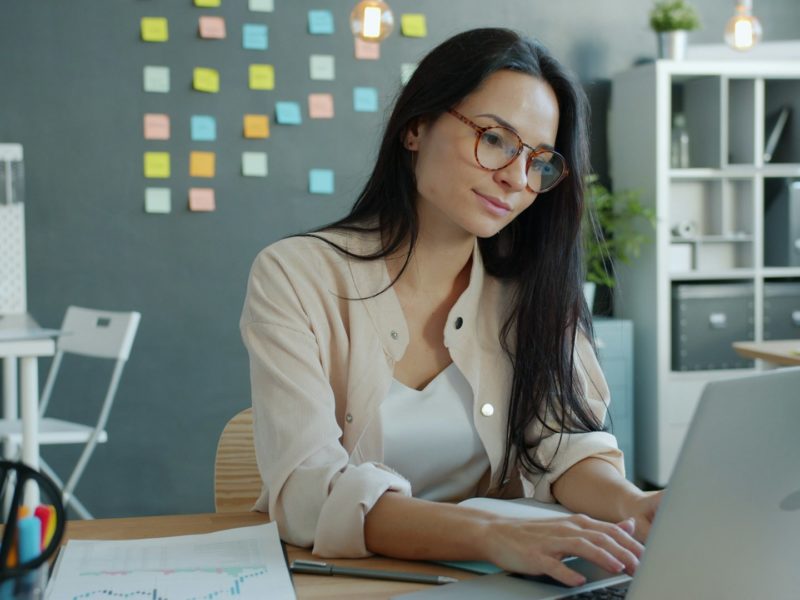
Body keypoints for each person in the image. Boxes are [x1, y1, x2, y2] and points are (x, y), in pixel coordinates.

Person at [240, 27, 662, 587]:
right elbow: (306, 492)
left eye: (539, 161)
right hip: (348, 584)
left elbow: (566, 447)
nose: (515, 177)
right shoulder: (296, 275)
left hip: (502, 583)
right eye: (495, 139)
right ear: (416, 127)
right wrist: (492, 533)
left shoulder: (533, 289)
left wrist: (633, 505)